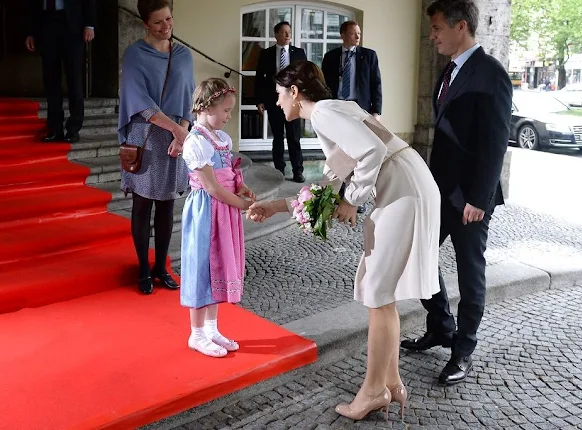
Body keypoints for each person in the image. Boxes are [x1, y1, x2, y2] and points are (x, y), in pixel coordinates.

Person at [247, 61, 441, 421]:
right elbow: (328, 187)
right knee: (382, 294)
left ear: (294, 92)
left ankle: (372, 391)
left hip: (403, 191)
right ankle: (391, 382)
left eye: (278, 94)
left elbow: (372, 152)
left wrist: (353, 198)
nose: (276, 103)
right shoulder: (336, 108)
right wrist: (277, 206)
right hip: (409, 186)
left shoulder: (322, 112)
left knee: (378, 293)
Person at [400, 0, 513, 386]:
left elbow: (496, 142)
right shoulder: (450, 70)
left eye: (436, 29)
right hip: (441, 190)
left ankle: (463, 348)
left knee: (470, 273)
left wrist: (479, 200)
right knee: (419, 253)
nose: (432, 36)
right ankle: (441, 326)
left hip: (470, 199)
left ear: (460, 26)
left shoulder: (491, 73)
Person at [118, 0, 194, 295]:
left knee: (167, 204)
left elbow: (189, 97)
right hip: (146, 135)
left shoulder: (184, 55)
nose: (167, 26)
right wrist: (176, 129)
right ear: (145, 24)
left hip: (178, 136)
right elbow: (140, 101)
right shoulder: (135, 54)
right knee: (142, 204)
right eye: (159, 22)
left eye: (169, 19)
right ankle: (142, 269)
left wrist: (183, 131)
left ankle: (161, 267)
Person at [180, 78, 256, 357]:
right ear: (206, 107)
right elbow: (211, 186)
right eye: (225, 110)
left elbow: (230, 176)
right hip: (207, 212)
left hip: (225, 209)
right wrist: (243, 205)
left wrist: (242, 187)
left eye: (230, 111)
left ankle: (211, 328)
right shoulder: (196, 142)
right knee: (203, 267)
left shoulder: (222, 139)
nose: (228, 116)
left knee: (219, 268)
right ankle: (196, 333)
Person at [321, 20, 382, 213]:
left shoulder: (369, 56)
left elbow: (376, 84)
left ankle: (356, 197)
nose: (357, 36)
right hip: (337, 110)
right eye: (353, 33)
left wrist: (376, 112)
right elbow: (323, 85)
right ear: (343, 35)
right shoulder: (330, 57)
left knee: (357, 154)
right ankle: (337, 194)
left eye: (359, 33)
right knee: (338, 154)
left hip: (359, 110)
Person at [25, 0, 97, 143]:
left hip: (72, 24)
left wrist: (90, 24)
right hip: (46, 23)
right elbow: (32, 5)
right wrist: (30, 32)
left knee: (74, 79)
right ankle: (55, 129)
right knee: (50, 79)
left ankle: (73, 129)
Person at [255, 21, 307, 183]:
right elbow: (259, 79)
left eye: (289, 32)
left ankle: (298, 171)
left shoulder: (298, 53)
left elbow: (305, 77)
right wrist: (260, 100)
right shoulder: (266, 54)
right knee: (278, 136)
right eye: (284, 32)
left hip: (292, 102)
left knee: (294, 137)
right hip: (274, 101)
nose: (287, 35)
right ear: (276, 35)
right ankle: (279, 170)